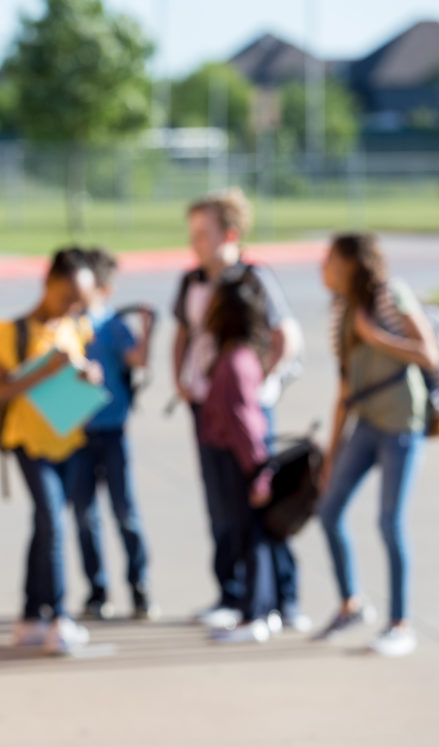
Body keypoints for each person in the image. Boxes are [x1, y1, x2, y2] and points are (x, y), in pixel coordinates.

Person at [171, 188, 307, 632]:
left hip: (243, 404)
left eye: (203, 233)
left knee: (260, 500)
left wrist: (259, 383)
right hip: (207, 402)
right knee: (222, 504)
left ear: (229, 233)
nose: (195, 242)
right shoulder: (192, 281)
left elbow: (286, 335)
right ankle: (234, 593)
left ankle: (279, 598)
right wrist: (182, 378)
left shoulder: (252, 279)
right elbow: (183, 334)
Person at [315, 233, 439, 657]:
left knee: (389, 522)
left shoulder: (390, 297)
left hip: (403, 424)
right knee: (328, 510)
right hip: (365, 424)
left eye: (330, 260)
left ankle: (400, 624)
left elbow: (429, 354)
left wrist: (375, 336)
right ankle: (351, 602)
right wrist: (331, 455)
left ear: (353, 264)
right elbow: (344, 388)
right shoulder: (339, 312)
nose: (323, 268)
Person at [0, 247, 100, 655]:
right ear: (48, 284)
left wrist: (88, 373)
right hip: (28, 441)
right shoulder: (9, 333)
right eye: (67, 296)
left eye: (79, 301)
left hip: (68, 437)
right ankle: (60, 616)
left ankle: (31, 614)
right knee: (53, 521)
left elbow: (85, 369)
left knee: (46, 525)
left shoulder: (77, 327)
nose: (72, 306)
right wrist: (42, 374)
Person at [66, 249, 154, 620]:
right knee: (84, 516)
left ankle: (139, 585)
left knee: (125, 512)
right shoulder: (65, 325)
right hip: (77, 433)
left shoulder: (113, 325)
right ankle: (97, 589)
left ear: (102, 288)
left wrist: (148, 329)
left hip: (113, 430)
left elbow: (137, 359)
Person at [199, 277, 277, 643]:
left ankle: (254, 615)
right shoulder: (236, 355)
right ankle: (260, 610)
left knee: (250, 538)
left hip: (239, 462)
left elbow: (245, 423)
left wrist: (258, 475)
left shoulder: (235, 362)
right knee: (248, 536)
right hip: (237, 459)